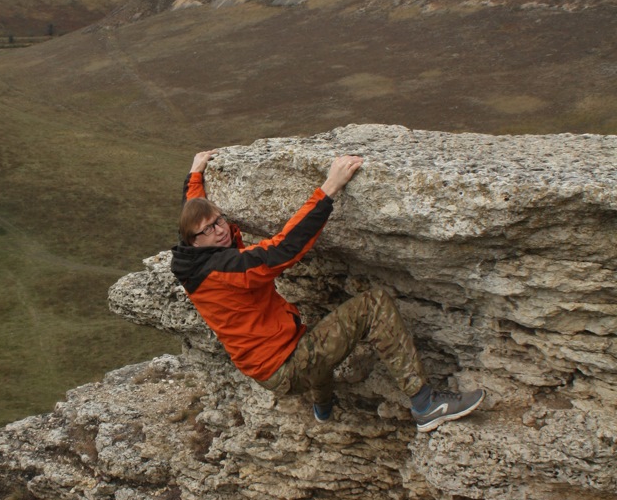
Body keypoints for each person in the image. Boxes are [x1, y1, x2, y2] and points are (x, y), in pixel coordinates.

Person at [170, 149, 483, 433]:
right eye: (209, 229)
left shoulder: (191, 256)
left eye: (219, 220)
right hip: (286, 366)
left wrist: (195, 172)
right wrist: (329, 188)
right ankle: (426, 404)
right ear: (195, 240)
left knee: (310, 336)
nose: (221, 229)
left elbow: (193, 210)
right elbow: (283, 249)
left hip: (267, 366)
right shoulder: (224, 270)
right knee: (372, 305)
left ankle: (323, 410)